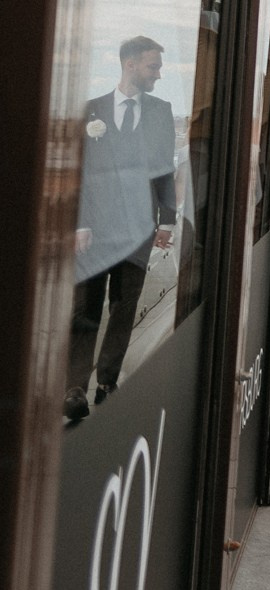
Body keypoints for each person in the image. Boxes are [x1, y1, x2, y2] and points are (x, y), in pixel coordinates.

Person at [66, 35, 177, 422]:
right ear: (130, 65)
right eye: (153, 66)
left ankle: (107, 383)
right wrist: (80, 223)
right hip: (94, 230)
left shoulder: (161, 111)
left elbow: (165, 168)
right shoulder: (91, 110)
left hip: (139, 228)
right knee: (85, 308)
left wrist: (167, 220)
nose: (158, 75)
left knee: (124, 306)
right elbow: (79, 172)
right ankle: (74, 388)